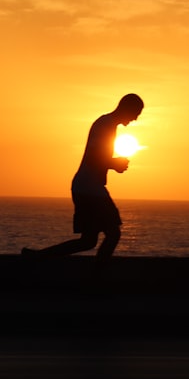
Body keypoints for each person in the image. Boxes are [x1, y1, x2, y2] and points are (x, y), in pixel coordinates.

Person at [22, 93, 143, 261]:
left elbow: (97, 158)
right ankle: (98, 277)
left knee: (88, 241)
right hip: (90, 188)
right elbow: (94, 158)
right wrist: (115, 163)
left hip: (85, 187)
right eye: (136, 113)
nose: (136, 119)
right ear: (127, 108)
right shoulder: (105, 125)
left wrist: (113, 164)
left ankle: (37, 257)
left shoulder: (107, 124)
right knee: (113, 233)